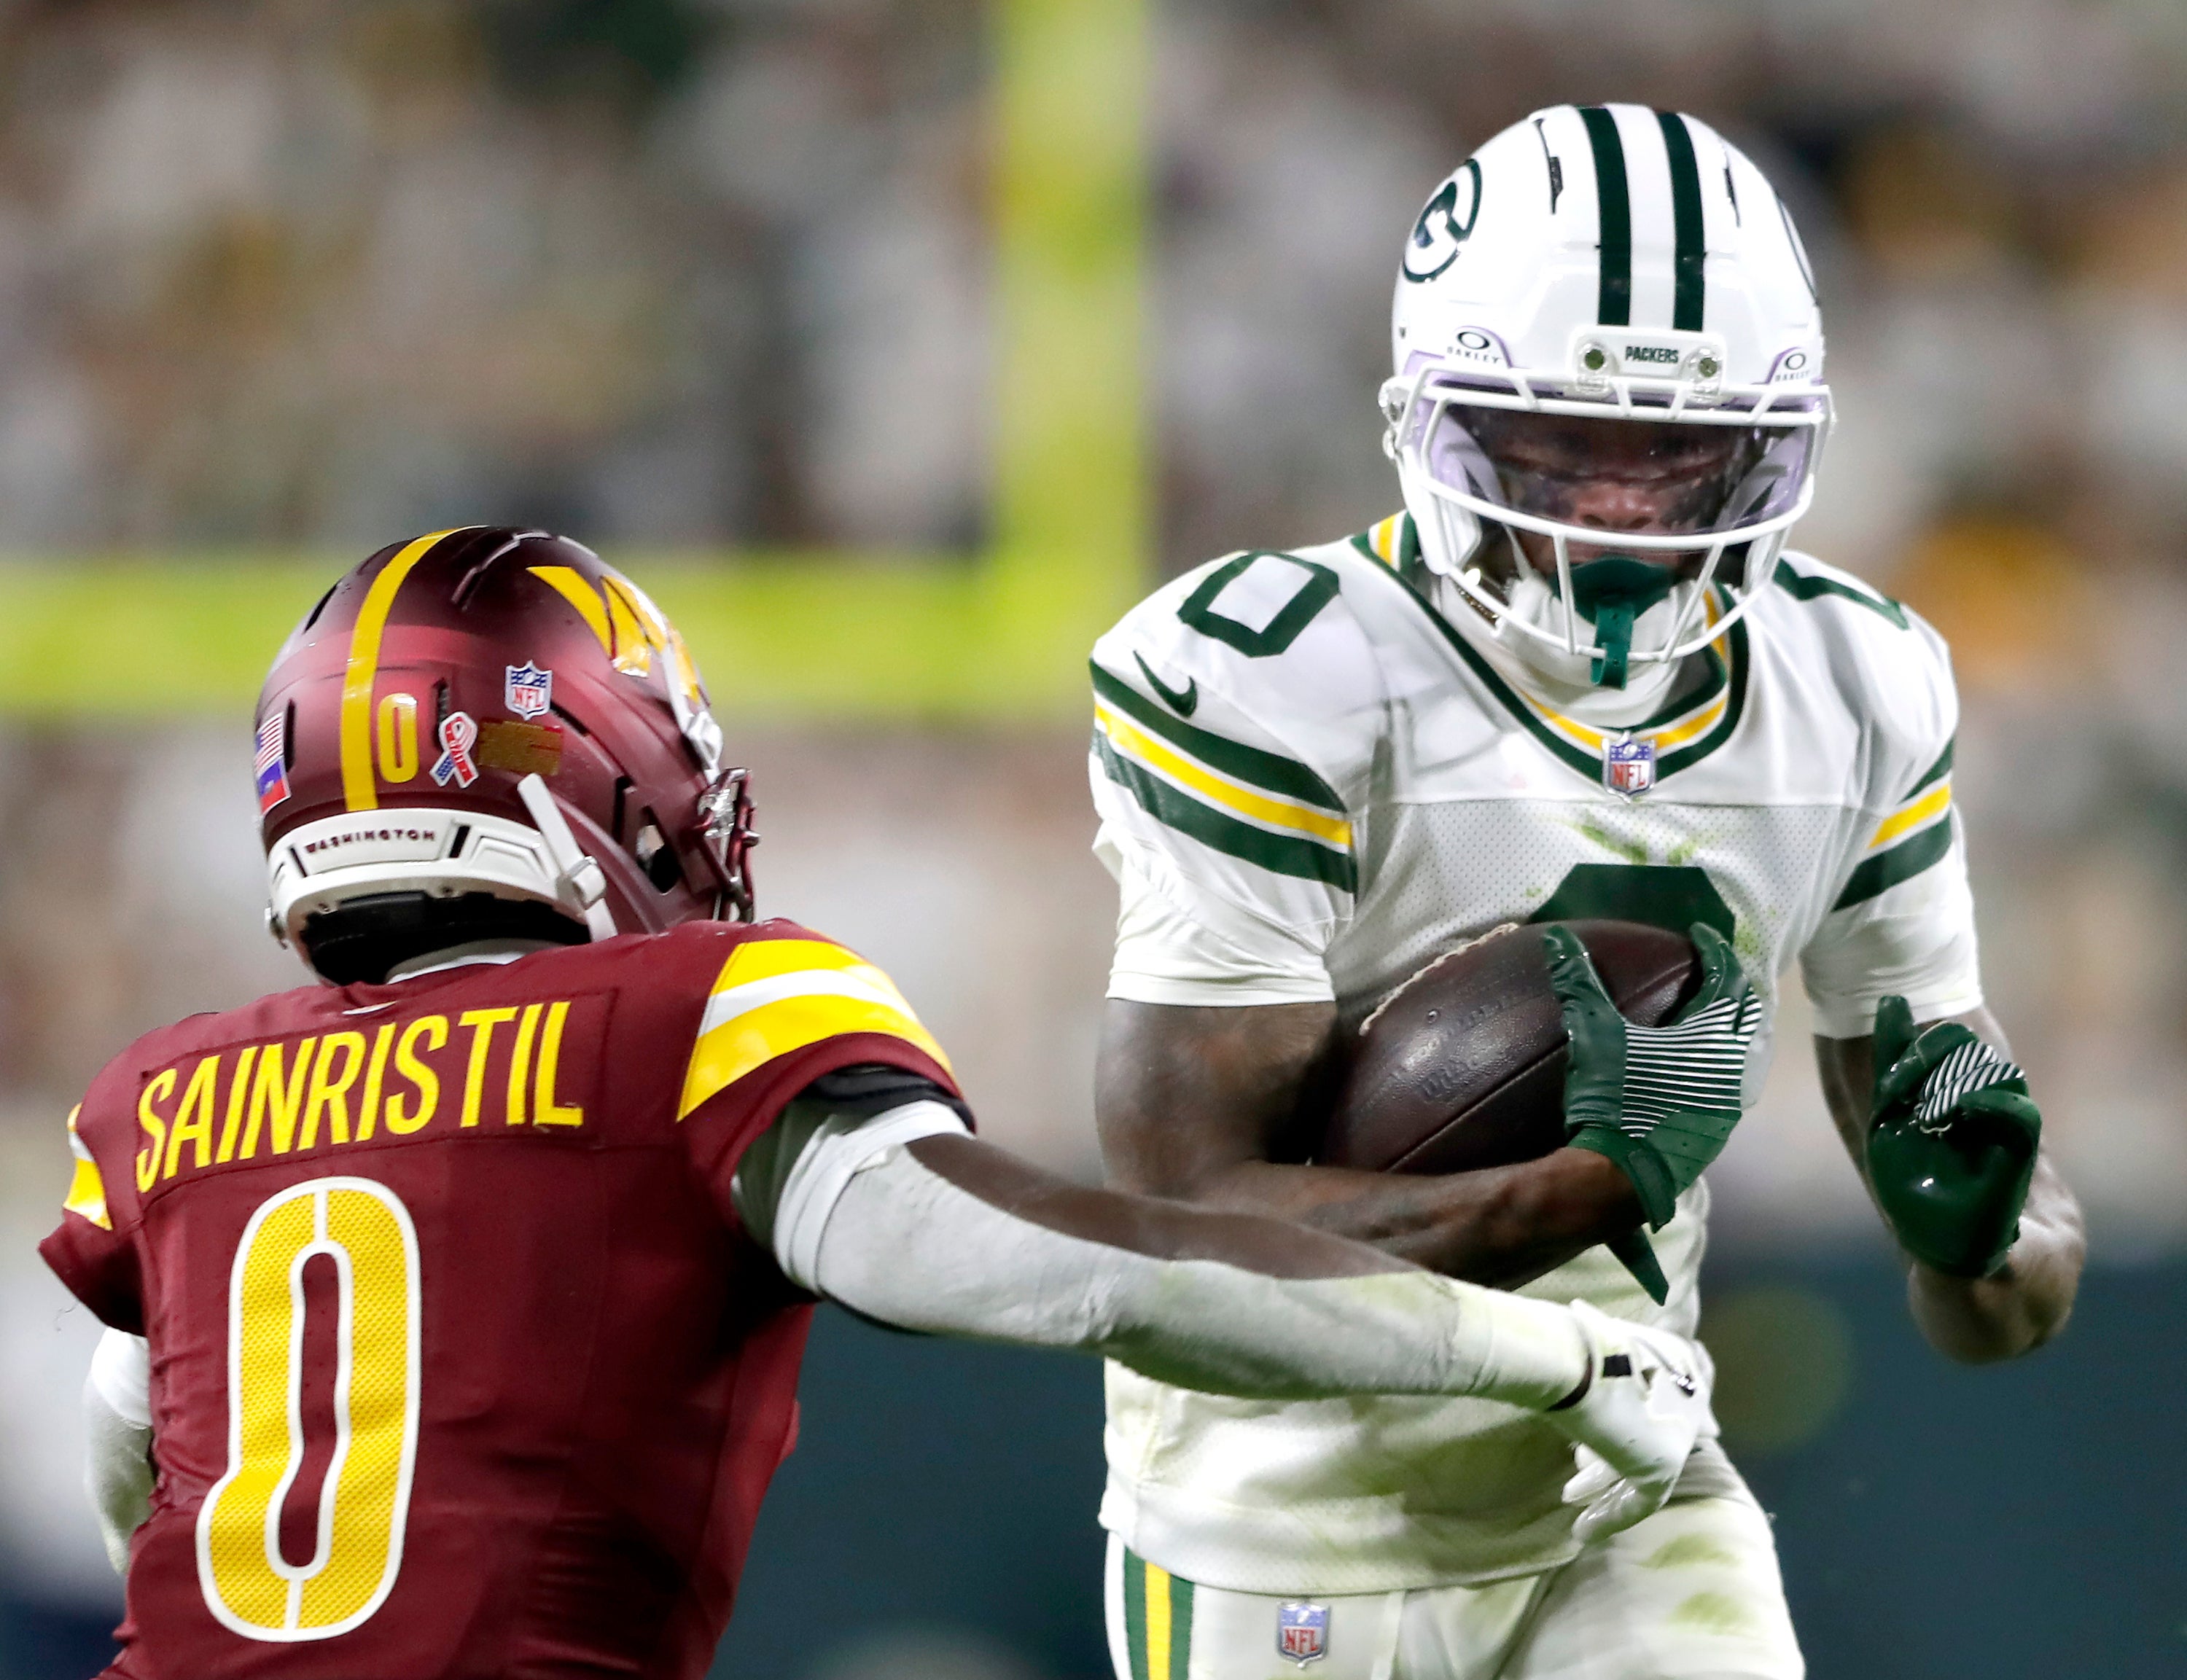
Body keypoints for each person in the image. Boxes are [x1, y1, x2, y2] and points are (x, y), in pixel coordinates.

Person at [43, 528, 1710, 1680]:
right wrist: (1543, 1352)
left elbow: (144, 1472)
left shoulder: (168, 1096)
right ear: (597, 767)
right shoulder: (688, 1014)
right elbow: (1083, 1268)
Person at [1085, 103, 2085, 1680]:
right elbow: (1185, 1234)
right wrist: (1572, 1185)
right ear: (1432, 417)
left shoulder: (1860, 681)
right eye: (1565, 444)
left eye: (1675, 454)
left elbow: (2000, 1295)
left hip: (1624, 1478)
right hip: (1284, 1520)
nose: (1616, 509)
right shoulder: (1269, 674)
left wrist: (1985, 1239)